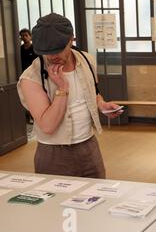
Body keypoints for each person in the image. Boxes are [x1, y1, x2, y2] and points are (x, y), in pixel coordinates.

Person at [17, 13, 122, 178]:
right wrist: (62, 88)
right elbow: (47, 126)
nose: (52, 56)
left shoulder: (87, 60)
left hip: (89, 147)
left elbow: (93, 92)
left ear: (71, 40)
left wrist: (101, 104)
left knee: (97, 199)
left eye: (57, 50)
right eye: (46, 51)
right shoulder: (31, 77)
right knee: (56, 203)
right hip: (53, 153)